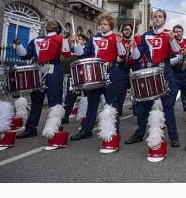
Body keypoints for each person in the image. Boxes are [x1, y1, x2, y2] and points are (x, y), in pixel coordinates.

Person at [124, 9, 182, 147]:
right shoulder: (146, 35)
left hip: (165, 71)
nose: (157, 19)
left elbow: (176, 51)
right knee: (145, 106)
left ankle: (173, 136)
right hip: (150, 70)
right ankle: (139, 134)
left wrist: (172, 39)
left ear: (164, 19)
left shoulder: (169, 34)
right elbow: (138, 57)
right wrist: (134, 47)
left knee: (168, 106)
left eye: (160, 17)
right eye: (155, 17)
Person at [69, 14, 127, 150]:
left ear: (111, 25)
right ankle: (86, 130)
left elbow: (123, 55)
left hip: (110, 71)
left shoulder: (115, 37)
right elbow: (83, 54)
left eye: (105, 24)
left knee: (112, 103)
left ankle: (113, 132)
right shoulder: (94, 38)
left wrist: (119, 42)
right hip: (95, 72)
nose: (102, 26)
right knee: (92, 102)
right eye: (101, 23)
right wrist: (75, 44)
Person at [14, 20, 72, 139]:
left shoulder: (59, 38)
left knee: (55, 99)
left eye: (55, 24)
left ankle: (55, 127)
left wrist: (65, 39)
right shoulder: (36, 39)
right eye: (49, 23)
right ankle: (31, 129)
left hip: (53, 69)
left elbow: (66, 54)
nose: (50, 24)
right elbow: (25, 55)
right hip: (38, 70)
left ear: (58, 29)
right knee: (36, 100)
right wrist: (18, 45)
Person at [115, 22, 143, 117]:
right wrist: (122, 57)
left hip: (135, 67)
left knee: (136, 90)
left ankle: (137, 112)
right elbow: (117, 57)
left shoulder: (138, 40)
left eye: (128, 29)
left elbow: (139, 56)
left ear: (132, 30)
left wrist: (134, 47)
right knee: (120, 90)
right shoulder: (119, 40)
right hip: (123, 68)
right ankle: (118, 111)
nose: (127, 31)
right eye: (125, 29)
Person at [61, 33, 88, 124]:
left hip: (85, 75)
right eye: (77, 39)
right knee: (70, 97)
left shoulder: (87, 50)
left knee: (86, 96)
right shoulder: (72, 50)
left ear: (84, 41)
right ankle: (65, 116)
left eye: (80, 39)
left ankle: (85, 117)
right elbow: (65, 58)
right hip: (73, 75)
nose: (77, 40)